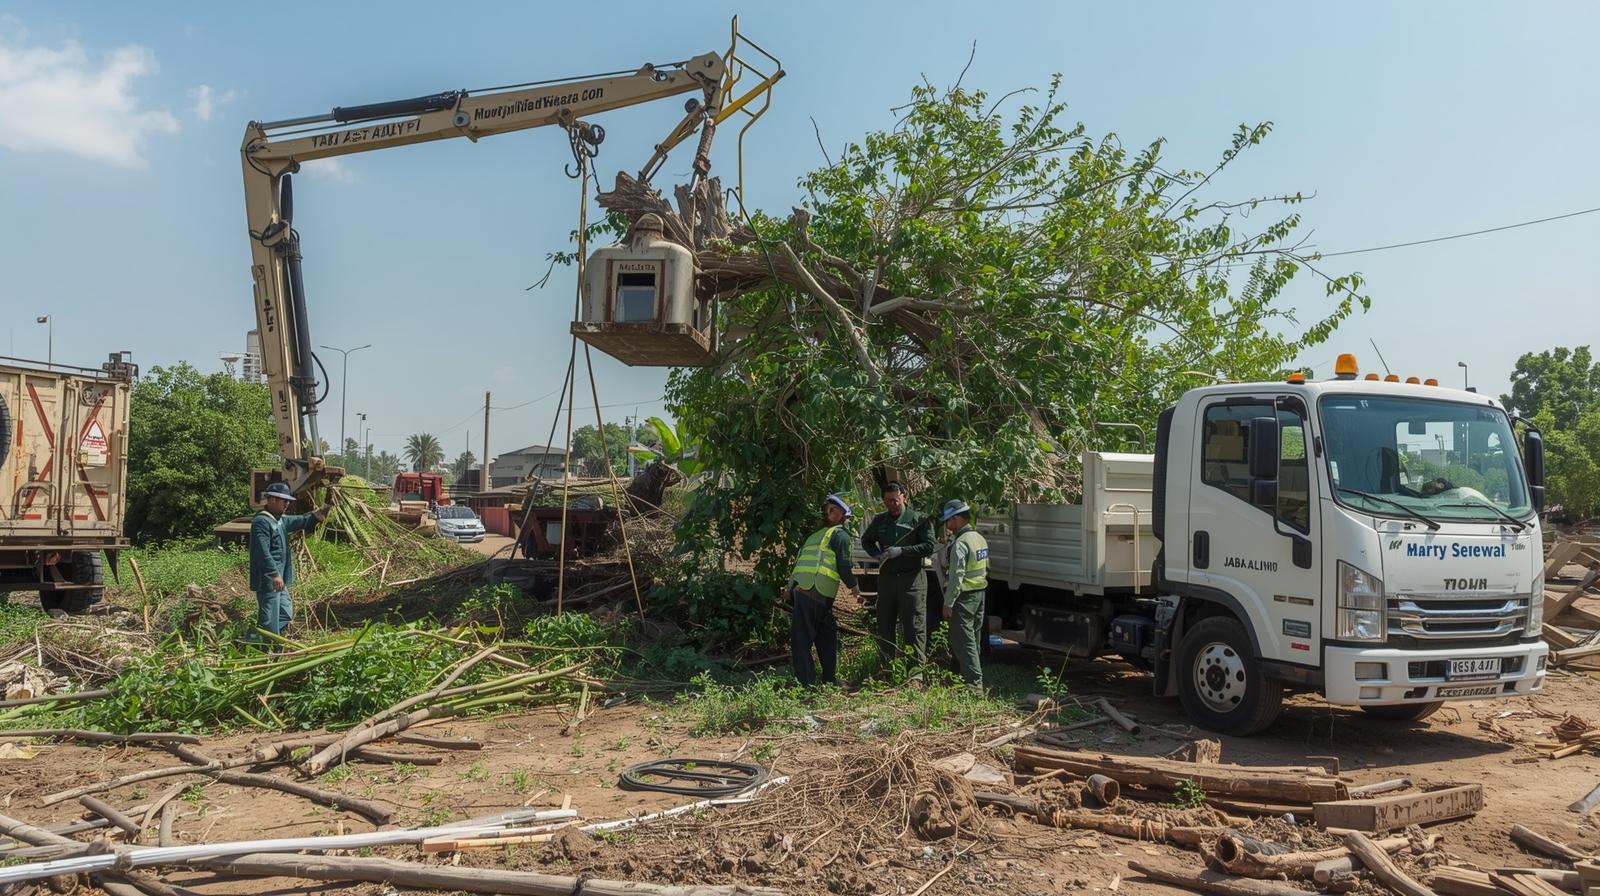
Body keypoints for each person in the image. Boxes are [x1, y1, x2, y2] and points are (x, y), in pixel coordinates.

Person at [786, 493, 860, 687]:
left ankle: (828, 679)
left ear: (841, 513)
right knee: (804, 639)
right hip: (815, 592)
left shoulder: (816, 536)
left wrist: (789, 587)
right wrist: (855, 588)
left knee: (826, 634)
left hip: (810, 592)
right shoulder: (840, 535)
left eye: (833, 509)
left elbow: (799, 563)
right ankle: (806, 684)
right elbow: (844, 566)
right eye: (829, 509)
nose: (829, 512)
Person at [861, 482, 936, 671]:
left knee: (914, 626)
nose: (891, 505)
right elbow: (866, 540)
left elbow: (929, 546)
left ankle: (915, 673)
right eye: (887, 501)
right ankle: (886, 670)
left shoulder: (919, 519)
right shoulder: (880, 520)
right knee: (885, 624)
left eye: (895, 500)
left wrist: (902, 551)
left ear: (904, 496)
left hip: (912, 580)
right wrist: (877, 554)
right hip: (887, 579)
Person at [249, 482, 331, 640]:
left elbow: (302, 520)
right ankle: (264, 645)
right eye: (284, 500)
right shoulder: (262, 522)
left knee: (286, 612)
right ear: (272, 499)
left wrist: (323, 510)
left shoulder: (280, 520)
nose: (287, 504)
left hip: (279, 579)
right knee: (269, 618)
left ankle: (270, 638)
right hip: (269, 579)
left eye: (288, 501)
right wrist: (274, 574)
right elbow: (263, 552)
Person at [940, 499, 989, 690]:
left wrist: (948, 603)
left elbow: (956, 577)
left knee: (963, 641)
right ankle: (970, 678)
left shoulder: (960, 543)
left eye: (949, 520)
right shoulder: (979, 538)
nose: (947, 525)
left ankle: (974, 685)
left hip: (964, 598)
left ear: (958, 518)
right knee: (974, 639)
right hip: (979, 595)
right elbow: (986, 568)